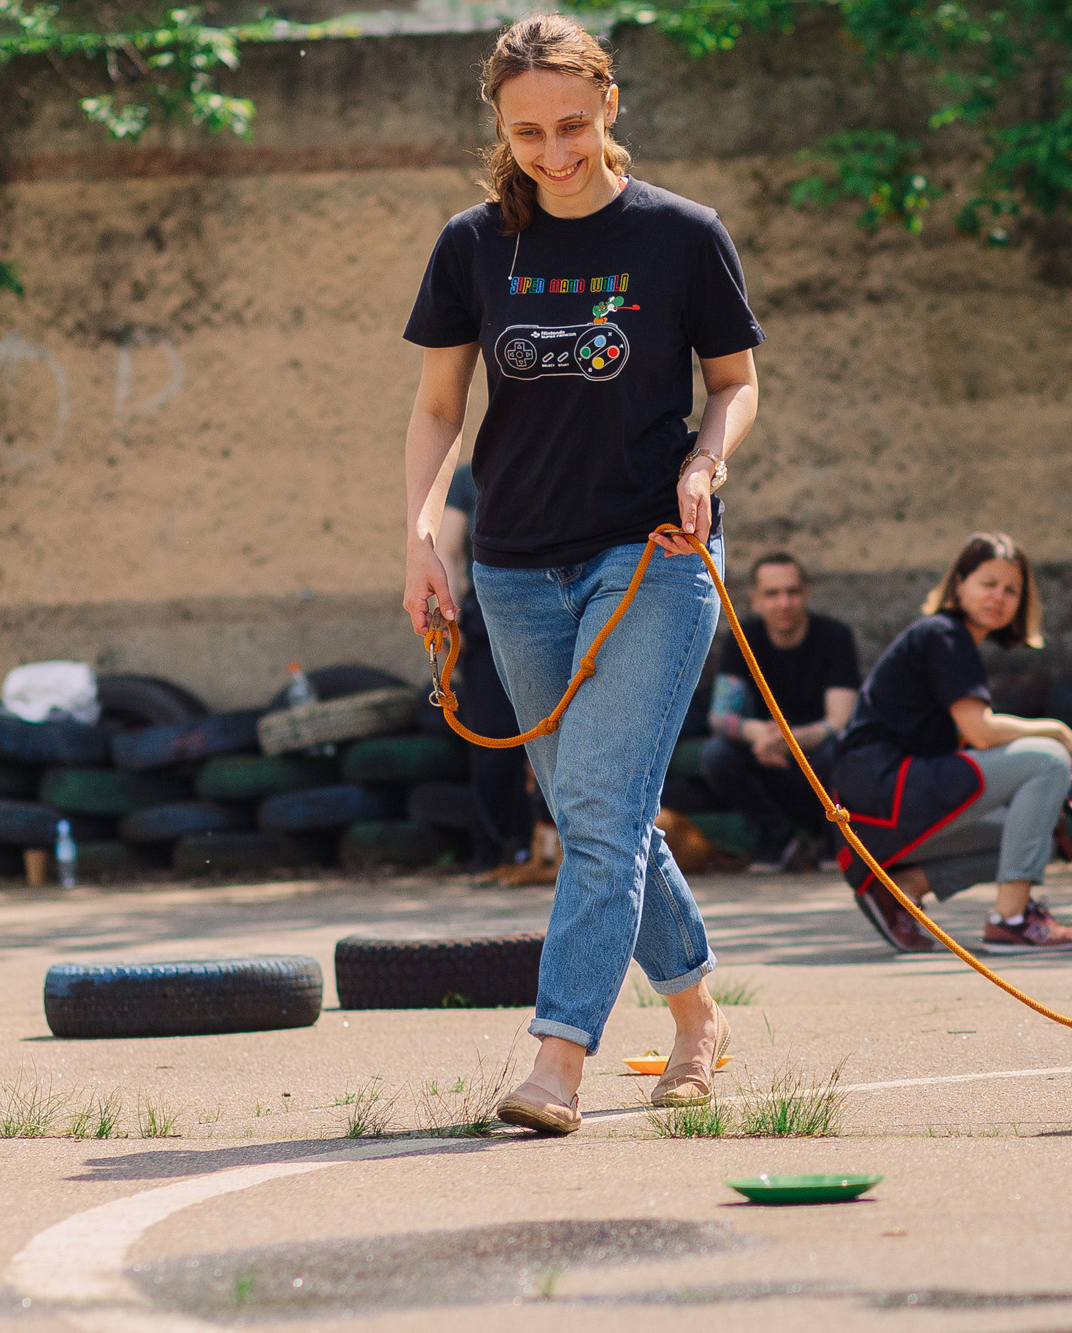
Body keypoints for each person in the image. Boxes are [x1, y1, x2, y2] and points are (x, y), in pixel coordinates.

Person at [401, 14, 762, 1135]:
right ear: (499, 130)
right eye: (527, 133)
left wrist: (705, 462)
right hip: (514, 569)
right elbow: (437, 408)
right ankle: (698, 1015)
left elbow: (736, 382)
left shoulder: (681, 235)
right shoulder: (472, 245)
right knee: (601, 812)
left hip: (652, 555)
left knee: (597, 816)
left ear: (609, 105)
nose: (553, 152)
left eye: (571, 124)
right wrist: (420, 533)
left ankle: (558, 1058)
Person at [832, 532, 1072, 954]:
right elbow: (981, 732)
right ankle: (1011, 920)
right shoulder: (944, 634)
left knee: (1035, 839)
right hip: (886, 793)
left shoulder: (952, 640)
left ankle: (901, 889)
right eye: (988, 583)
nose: (999, 597)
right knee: (1048, 759)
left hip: (871, 811)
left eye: (1011, 590)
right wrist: (1057, 731)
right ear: (959, 584)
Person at [701, 552, 861, 872]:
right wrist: (757, 734)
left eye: (792, 592)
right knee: (716, 756)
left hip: (814, 757)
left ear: (806, 593)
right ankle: (778, 838)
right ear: (755, 600)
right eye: (772, 594)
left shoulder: (834, 636)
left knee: (842, 752)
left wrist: (788, 739)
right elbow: (720, 715)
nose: (784, 603)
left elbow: (839, 721)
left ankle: (833, 841)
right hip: (764, 757)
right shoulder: (743, 637)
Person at [439, 464, 534, 876]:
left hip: (555, 612)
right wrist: (449, 615)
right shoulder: (469, 477)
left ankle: (545, 852)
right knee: (493, 741)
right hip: (487, 622)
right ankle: (491, 854)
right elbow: (447, 549)